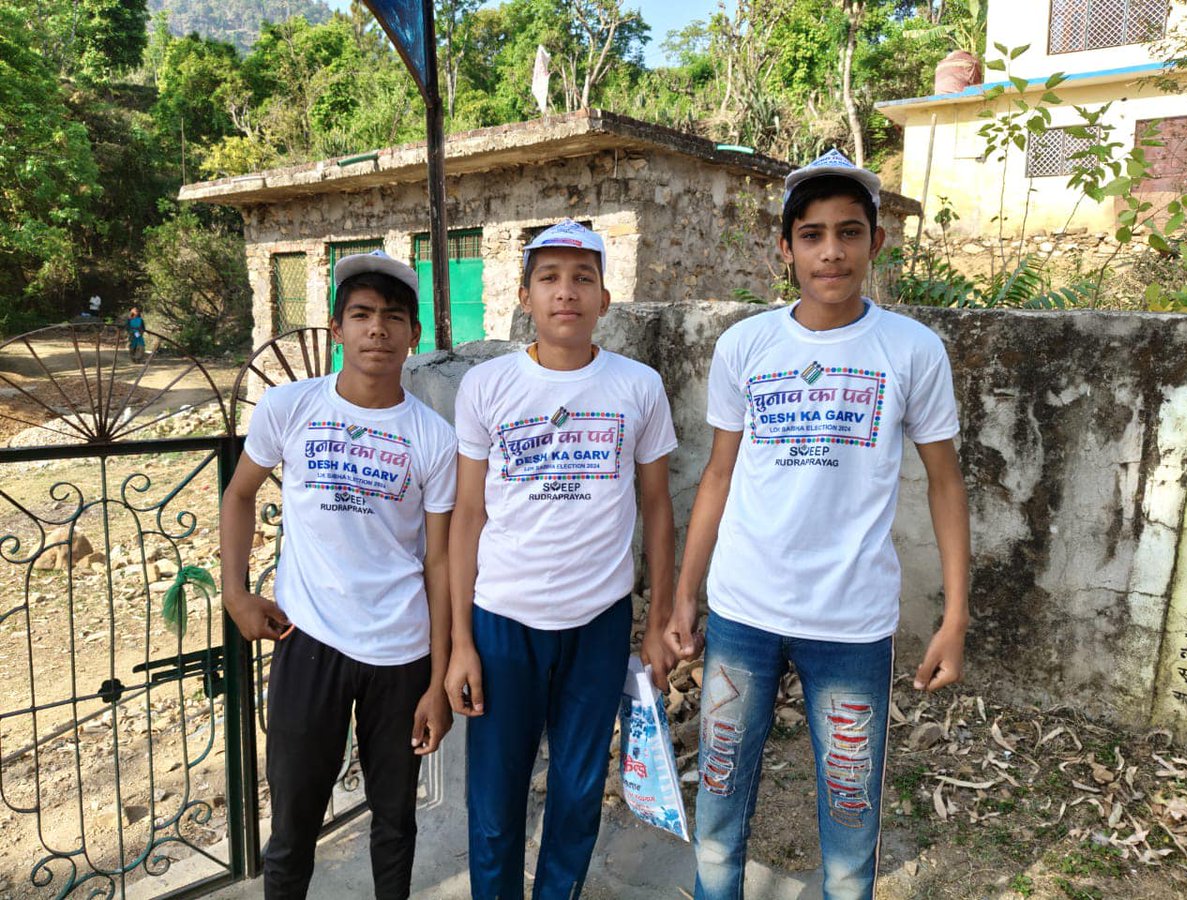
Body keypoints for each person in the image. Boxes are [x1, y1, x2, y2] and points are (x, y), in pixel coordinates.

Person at [664, 149, 971, 900]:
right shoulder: (746, 346)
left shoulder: (912, 351)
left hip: (853, 619)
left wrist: (956, 616)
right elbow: (719, 474)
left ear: (876, 242)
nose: (830, 251)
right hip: (743, 612)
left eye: (848, 232)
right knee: (721, 793)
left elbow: (944, 481)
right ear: (785, 248)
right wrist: (684, 595)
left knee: (851, 807)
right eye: (811, 235)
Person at [445, 219, 678, 899]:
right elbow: (467, 515)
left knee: (578, 795)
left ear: (606, 298)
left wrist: (658, 617)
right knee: (495, 801)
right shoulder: (486, 388)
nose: (565, 292)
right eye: (549, 278)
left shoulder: (637, 387)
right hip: (502, 621)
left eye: (582, 278)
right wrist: (461, 642)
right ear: (524, 295)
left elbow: (658, 507)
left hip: (598, 621)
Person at [219, 250, 456, 898]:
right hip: (308, 644)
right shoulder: (289, 408)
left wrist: (438, 680)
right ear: (336, 328)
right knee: (292, 827)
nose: (377, 329)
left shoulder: (432, 437)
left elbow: (438, 561)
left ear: (414, 334)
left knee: (395, 823)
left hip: (400, 653)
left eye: (392, 317)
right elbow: (239, 494)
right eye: (361, 315)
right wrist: (235, 594)